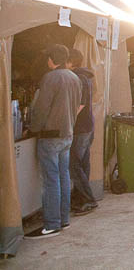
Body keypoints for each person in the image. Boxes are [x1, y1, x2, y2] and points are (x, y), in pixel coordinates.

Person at [25, 44, 82, 239]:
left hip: (50, 135)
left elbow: (41, 109)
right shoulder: (74, 77)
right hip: (68, 133)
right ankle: (63, 219)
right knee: (63, 176)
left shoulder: (50, 78)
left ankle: (51, 224)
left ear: (52, 59)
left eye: (47, 57)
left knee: (51, 180)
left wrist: (32, 128)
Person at [67, 49, 97, 215]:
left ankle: (88, 199)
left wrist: (68, 120)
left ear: (71, 62)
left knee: (74, 165)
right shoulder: (85, 77)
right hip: (87, 126)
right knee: (83, 164)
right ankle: (81, 198)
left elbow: (80, 105)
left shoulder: (78, 78)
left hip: (80, 127)